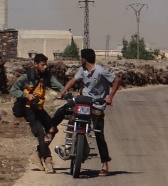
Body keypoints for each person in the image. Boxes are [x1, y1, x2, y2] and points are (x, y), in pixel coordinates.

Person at [52, 48, 120, 177]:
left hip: (97, 104)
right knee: (62, 110)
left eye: (81, 57)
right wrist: (62, 92)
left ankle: (105, 164)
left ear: (84, 59)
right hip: (84, 100)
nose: (80, 59)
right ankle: (52, 130)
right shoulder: (82, 70)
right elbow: (73, 80)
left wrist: (110, 97)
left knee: (99, 134)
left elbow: (116, 80)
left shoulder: (100, 71)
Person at [9, 53, 63, 173]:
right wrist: (26, 95)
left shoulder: (46, 75)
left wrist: (65, 92)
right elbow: (13, 89)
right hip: (29, 109)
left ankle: (37, 154)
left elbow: (58, 86)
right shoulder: (26, 77)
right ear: (35, 65)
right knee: (41, 134)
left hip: (39, 108)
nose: (45, 67)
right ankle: (48, 161)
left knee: (52, 129)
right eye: (42, 65)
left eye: (46, 65)